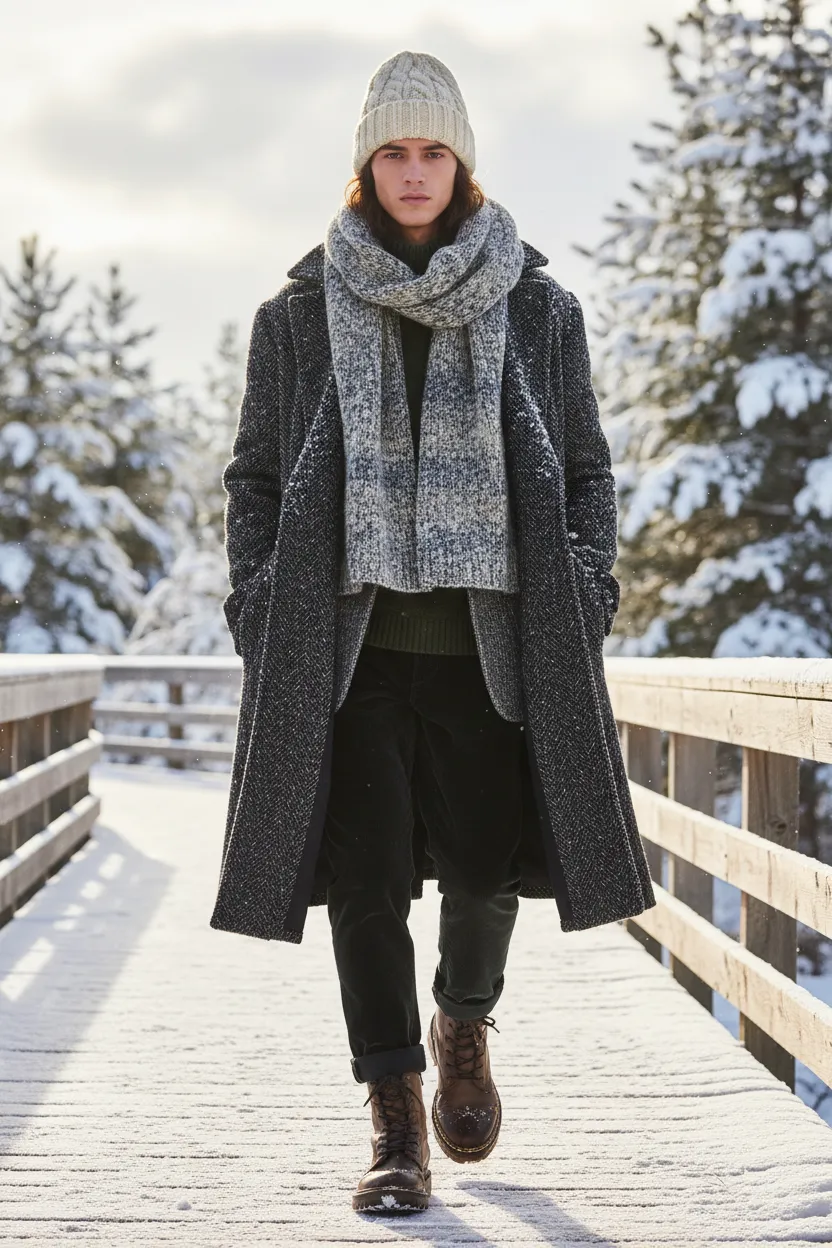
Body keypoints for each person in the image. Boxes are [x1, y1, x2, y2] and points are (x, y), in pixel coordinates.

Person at [210, 50, 656, 1216]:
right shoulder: (299, 313)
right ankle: (395, 1117)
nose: (413, 171)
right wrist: (258, 599)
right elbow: (253, 477)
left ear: (462, 164)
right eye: (393, 152)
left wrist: (586, 587)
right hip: (350, 651)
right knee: (363, 886)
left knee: (483, 873)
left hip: (491, 645)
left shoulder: (537, 308)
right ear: (366, 167)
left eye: (433, 151)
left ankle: (463, 1023)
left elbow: (587, 470)